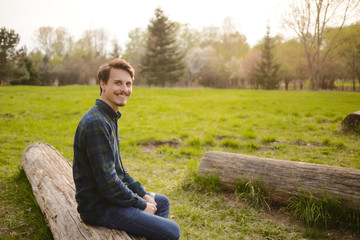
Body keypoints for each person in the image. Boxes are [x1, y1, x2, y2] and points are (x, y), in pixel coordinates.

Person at [72, 58, 180, 240]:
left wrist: (143, 194)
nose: (125, 89)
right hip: (100, 208)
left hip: (110, 199)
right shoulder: (97, 123)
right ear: (102, 84)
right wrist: (140, 204)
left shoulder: (109, 117)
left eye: (128, 84)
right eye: (118, 83)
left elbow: (119, 170)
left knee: (160, 201)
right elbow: (108, 184)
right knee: (173, 231)